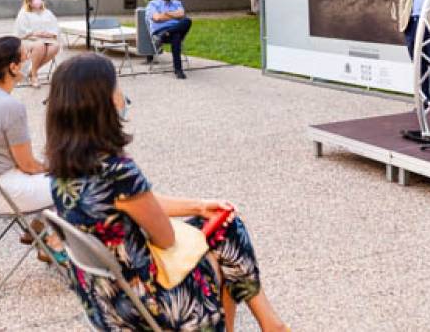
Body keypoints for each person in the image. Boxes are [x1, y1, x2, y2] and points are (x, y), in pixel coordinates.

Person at [47, 54, 287, 331]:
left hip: (103, 301)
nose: (122, 95)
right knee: (227, 231)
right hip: (148, 305)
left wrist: (198, 207)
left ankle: (271, 324)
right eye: (117, 86)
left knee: (220, 224)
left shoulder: (62, 169)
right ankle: (272, 325)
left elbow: (132, 203)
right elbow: (165, 239)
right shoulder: (118, 172)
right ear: (103, 102)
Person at [0, 36, 65, 262]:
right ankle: (52, 243)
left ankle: (37, 230)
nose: (30, 59)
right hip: (2, 190)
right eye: (26, 55)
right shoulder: (10, 106)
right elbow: (28, 165)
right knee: (76, 184)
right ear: (13, 67)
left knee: (60, 175)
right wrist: (58, 168)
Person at [145, 0, 192, 79]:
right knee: (176, 36)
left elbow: (181, 14)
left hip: (168, 33)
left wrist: (166, 14)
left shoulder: (177, 3)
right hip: (160, 31)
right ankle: (178, 70)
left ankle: (167, 33)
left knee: (187, 21)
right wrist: (174, 15)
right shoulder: (153, 4)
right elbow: (157, 18)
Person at [14, 0, 60, 88]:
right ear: (29, 2)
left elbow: (55, 27)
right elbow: (21, 32)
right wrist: (35, 34)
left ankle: (32, 71)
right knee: (40, 45)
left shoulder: (47, 12)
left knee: (55, 46)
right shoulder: (24, 13)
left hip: (46, 39)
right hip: (29, 40)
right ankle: (34, 76)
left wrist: (49, 34)